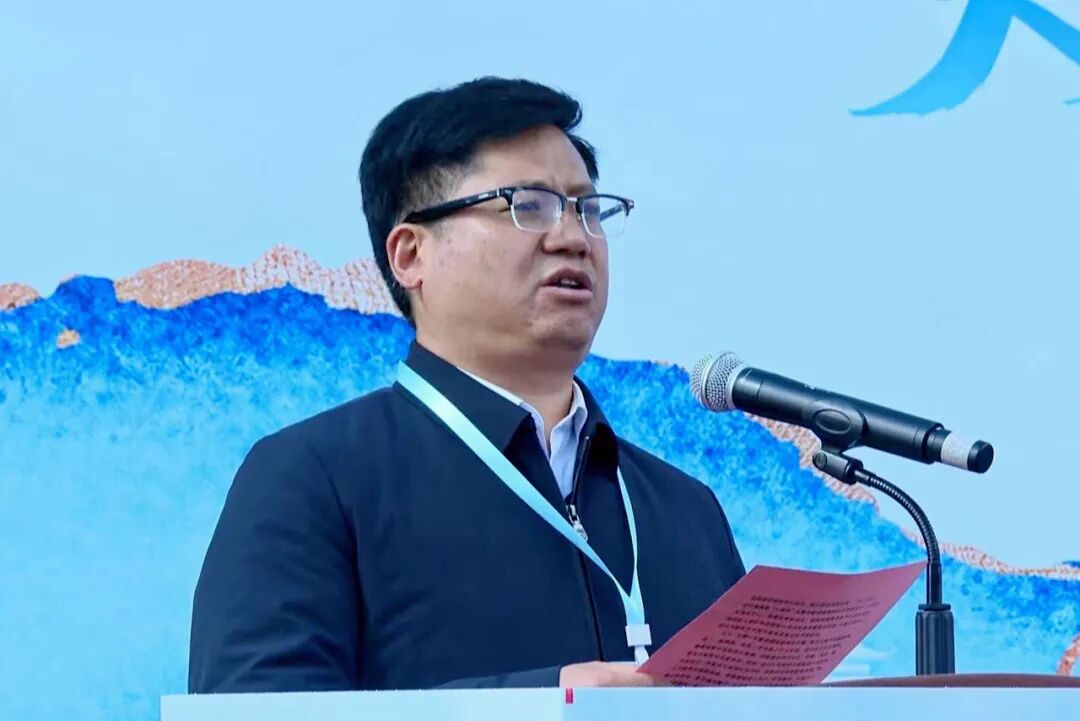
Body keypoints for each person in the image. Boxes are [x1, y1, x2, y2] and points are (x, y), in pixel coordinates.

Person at [188, 77, 745, 692]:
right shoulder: (312, 478)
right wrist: (544, 703)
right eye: (528, 206)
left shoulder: (687, 509)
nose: (572, 238)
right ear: (411, 255)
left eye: (588, 210)